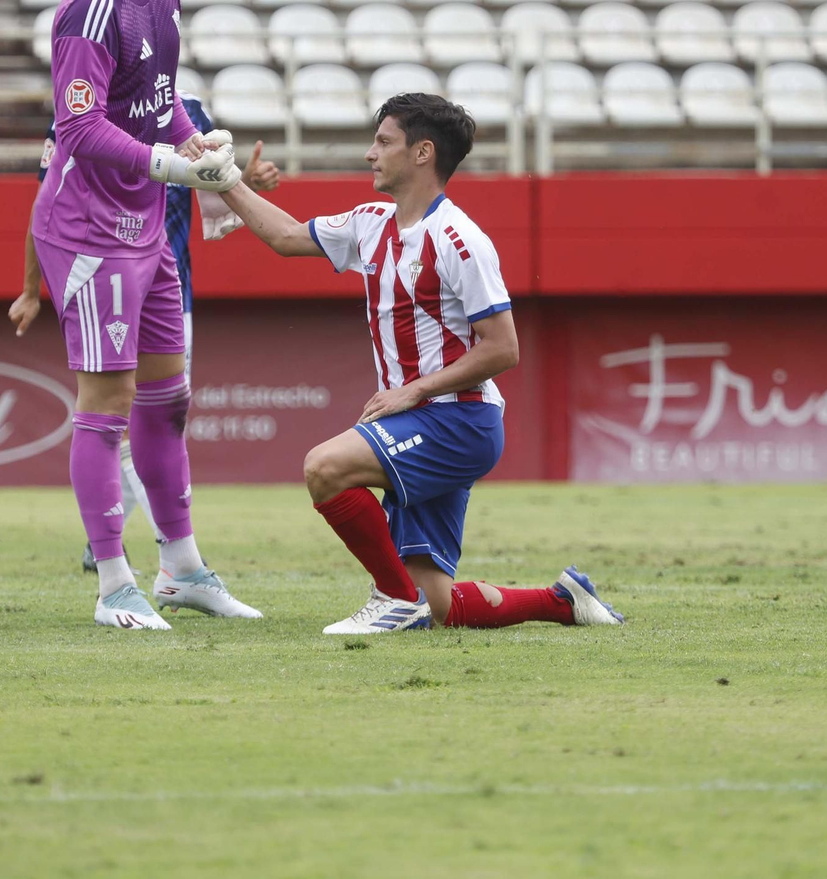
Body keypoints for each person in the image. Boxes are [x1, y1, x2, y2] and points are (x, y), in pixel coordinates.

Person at [216, 93, 625, 634]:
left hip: (458, 421)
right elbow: (286, 237)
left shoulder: (459, 240)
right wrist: (224, 180)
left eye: (383, 141)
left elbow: (504, 348)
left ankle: (391, 599)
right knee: (439, 604)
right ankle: (563, 602)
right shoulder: (370, 223)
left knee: (325, 468)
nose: (370, 154)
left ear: (422, 153)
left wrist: (413, 391)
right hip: (422, 421)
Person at [20, 0, 250, 630]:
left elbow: (157, 105)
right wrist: (168, 164)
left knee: (168, 402)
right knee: (107, 406)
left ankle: (182, 571)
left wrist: (199, 148)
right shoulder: (84, 17)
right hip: (88, 232)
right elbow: (78, 129)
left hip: (147, 224)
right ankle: (113, 584)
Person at [12, 90, 278, 620]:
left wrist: (244, 184)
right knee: (116, 413)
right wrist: (29, 288)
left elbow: (212, 188)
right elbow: (48, 196)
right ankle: (117, 566)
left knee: (166, 414)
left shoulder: (188, 109)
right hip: (104, 263)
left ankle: (176, 566)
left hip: (168, 280)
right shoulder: (80, 105)